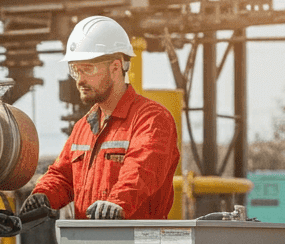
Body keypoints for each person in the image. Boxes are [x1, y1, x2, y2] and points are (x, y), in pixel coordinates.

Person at [20, 16, 179, 221]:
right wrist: (44, 195)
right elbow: (63, 175)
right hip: (89, 243)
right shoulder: (84, 126)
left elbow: (141, 170)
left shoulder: (151, 119)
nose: (80, 80)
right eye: (76, 70)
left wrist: (117, 203)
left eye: (88, 69)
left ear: (115, 67)